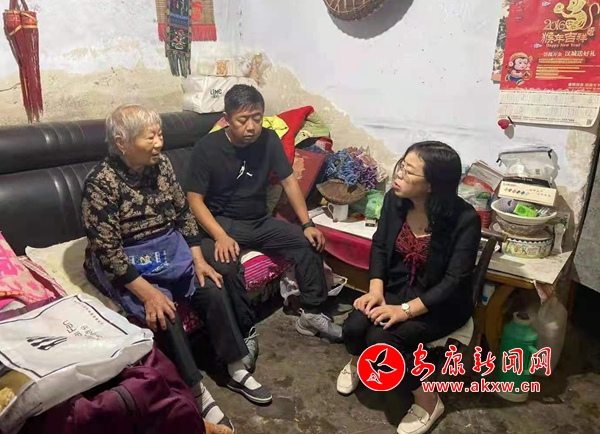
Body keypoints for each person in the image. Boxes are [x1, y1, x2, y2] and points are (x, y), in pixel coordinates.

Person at [81, 105, 273, 433]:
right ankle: (194, 390)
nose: (159, 143)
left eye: (160, 135)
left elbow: (183, 214)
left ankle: (234, 366)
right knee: (163, 312)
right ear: (122, 143)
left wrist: (198, 259)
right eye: (150, 137)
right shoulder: (100, 182)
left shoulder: (162, 165)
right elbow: (109, 252)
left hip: (167, 246)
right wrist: (149, 294)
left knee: (211, 286)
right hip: (129, 257)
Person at [337, 142, 481, 434]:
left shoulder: (465, 219)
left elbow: (454, 281)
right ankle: (358, 359)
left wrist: (405, 311)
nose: (399, 174)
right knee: (354, 326)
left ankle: (428, 400)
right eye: (401, 166)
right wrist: (376, 290)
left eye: (409, 171)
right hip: (397, 287)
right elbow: (380, 245)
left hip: (440, 302)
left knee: (382, 340)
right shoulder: (395, 200)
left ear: (431, 185)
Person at [185, 84, 342, 342]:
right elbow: (194, 201)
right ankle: (246, 332)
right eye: (243, 120)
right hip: (222, 224)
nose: (251, 127)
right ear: (227, 119)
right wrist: (220, 236)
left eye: (257, 118)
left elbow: (289, 182)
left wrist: (307, 224)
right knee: (226, 268)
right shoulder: (207, 148)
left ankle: (311, 313)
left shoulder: (269, 140)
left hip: (258, 222)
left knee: (308, 243)